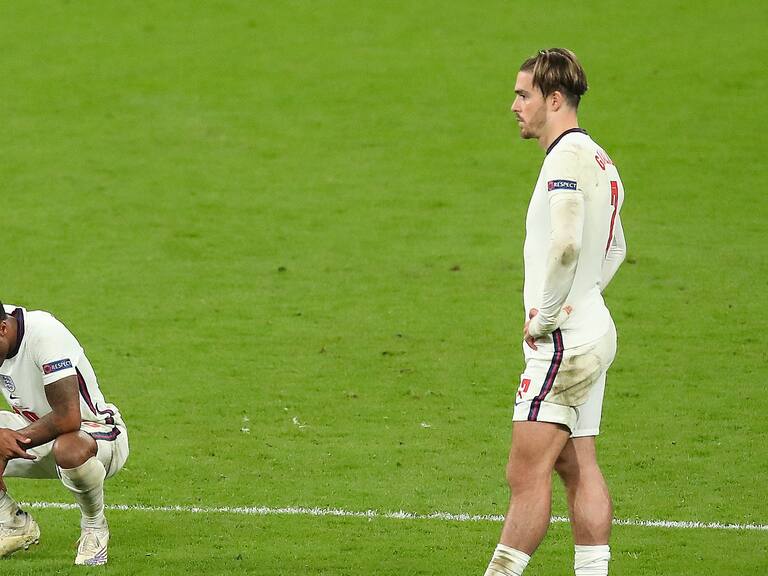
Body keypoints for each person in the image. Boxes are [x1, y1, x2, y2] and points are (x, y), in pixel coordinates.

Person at [483, 48, 627, 576]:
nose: (514, 106)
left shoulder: (564, 161)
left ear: (555, 99)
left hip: (564, 342)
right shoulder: (602, 162)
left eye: (523, 95)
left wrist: (546, 316)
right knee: (577, 462)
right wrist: (585, 294)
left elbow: (565, 245)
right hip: (593, 329)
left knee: (525, 474)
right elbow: (614, 248)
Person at [0, 302, 129, 565]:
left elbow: (68, 416)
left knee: (68, 447)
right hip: (34, 431)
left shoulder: (43, 333)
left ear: (3, 328)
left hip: (94, 433)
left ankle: (94, 528)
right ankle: (12, 523)